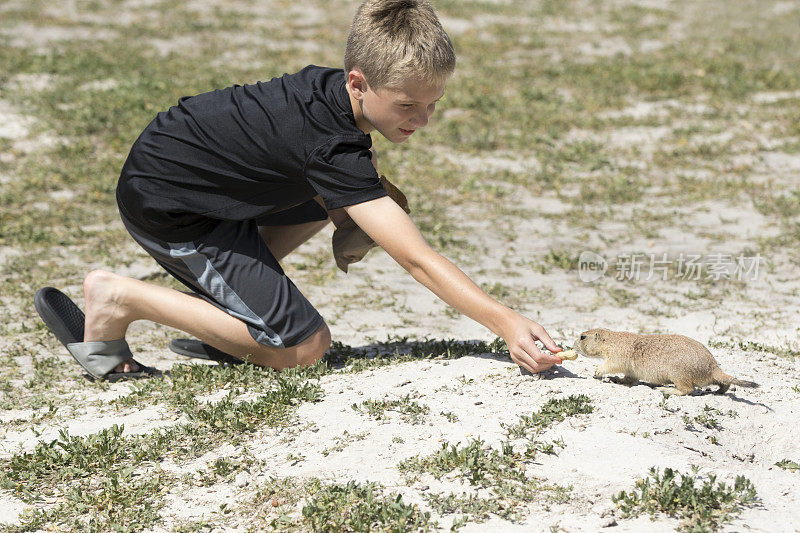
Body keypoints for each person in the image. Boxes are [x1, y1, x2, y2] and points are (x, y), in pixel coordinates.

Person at [34, 0, 563, 381]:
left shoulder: (332, 101)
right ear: (358, 82)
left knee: (351, 192)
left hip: (193, 173)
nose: (423, 118)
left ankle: (236, 316)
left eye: (434, 102)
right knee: (304, 347)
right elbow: (417, 259)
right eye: (407, 105)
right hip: (170, 206)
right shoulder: (331, 147)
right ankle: (118, 298)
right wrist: (505, 321)